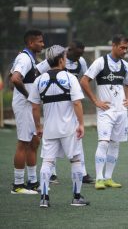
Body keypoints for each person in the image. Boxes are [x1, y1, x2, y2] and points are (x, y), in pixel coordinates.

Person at [29, 45, 90, 207]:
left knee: (47, 162)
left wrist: (38, 127)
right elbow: (77, 103)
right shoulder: (70, 78)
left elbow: (34, 107)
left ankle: (44, 198)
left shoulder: (39, 80)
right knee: (76, 159)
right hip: (69, 127)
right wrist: (81, 124)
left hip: (49, 128)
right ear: (62, 59)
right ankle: (77, 197)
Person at [36, 40, 94, 184]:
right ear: (69, 51)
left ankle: (83, 173)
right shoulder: (55, 58)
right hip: (54, 103)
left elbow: (84, 79)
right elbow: (36, 72)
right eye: (76, 54)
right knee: (54, 138)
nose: (78, 57)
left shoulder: (81, 62)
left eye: (81, 54)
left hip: (70, 103)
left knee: (74, 138)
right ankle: (53, 174)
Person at [80, 34, 128, 189]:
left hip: (121, 112)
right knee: (103, 143)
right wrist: (96, 101)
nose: (124, 51)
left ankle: (109, 178)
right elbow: (84, 81)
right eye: (122, 48)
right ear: (114, 46)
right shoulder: (100, 62)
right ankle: (99, 178)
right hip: (105, 112)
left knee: (115, 144)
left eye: (126, 48)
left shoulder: (125, 65)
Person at [10, 29, 44, 194]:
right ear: (31, 43)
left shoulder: (30, 58)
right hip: (24, 105)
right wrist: (28, 96)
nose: (42, 44)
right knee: (23, 142)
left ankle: (32, 182)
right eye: (40, 41)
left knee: (34, 141)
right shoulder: (24, 58)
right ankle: (17, 186)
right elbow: (15, 78)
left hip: (27, 105)